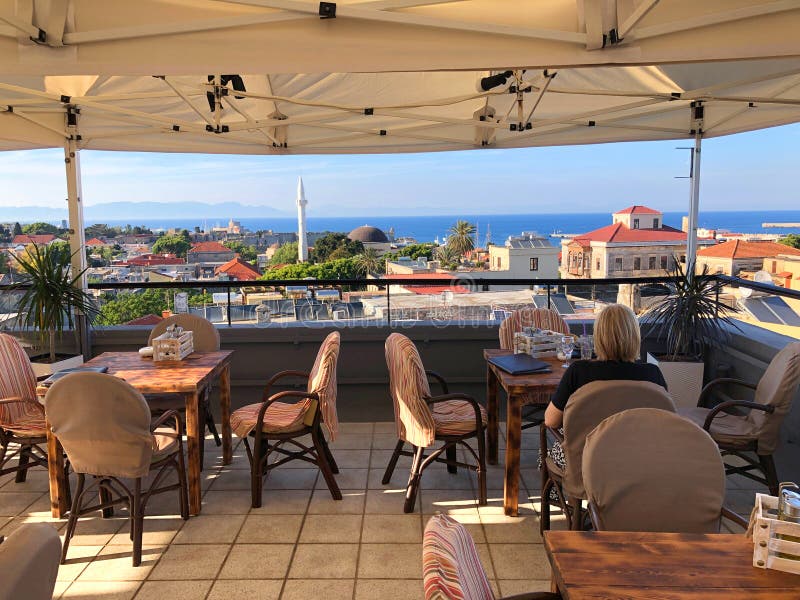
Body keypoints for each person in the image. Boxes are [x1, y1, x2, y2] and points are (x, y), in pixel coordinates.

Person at [542, 303, 667, 470]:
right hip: (637, 464)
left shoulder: (579, 372)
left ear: (598, 337)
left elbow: (551, 420)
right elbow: (663, 422)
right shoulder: (653, 375)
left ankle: (554, 495)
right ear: (635, 336)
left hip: (586, 464)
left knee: (549, 443)